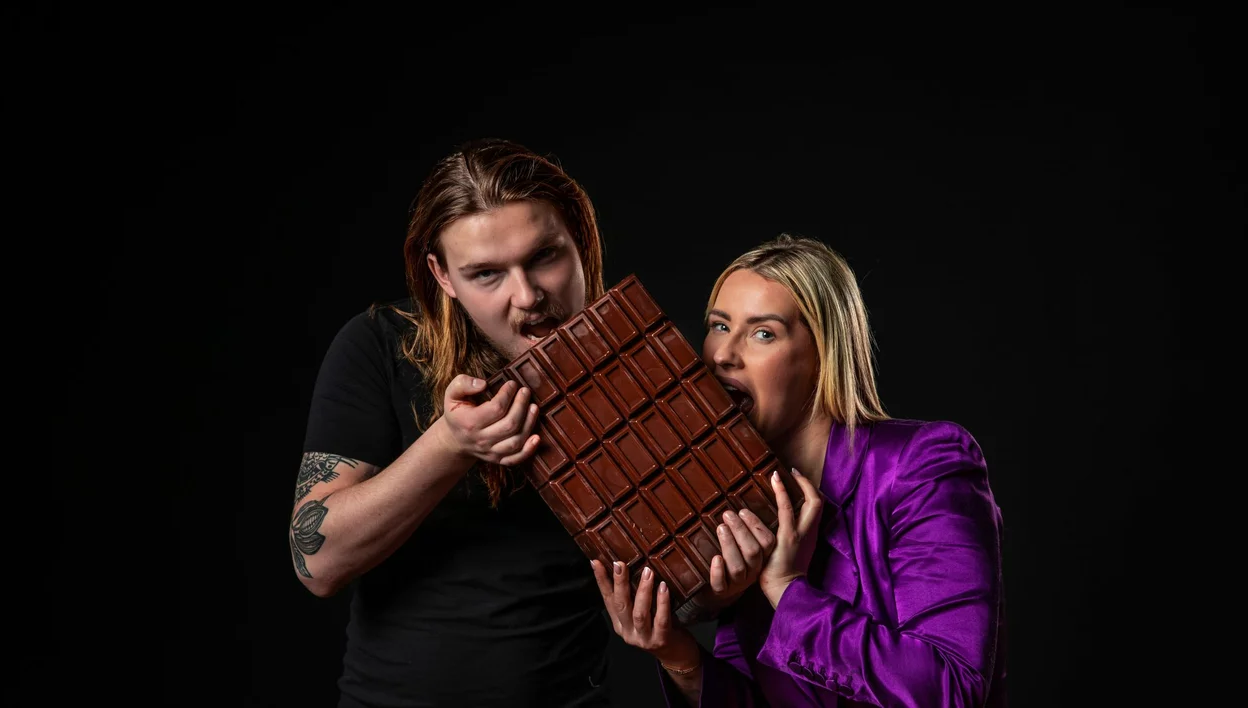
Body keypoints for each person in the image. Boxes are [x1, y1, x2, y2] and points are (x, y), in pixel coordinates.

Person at [592, 234, 1008, 707]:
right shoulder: (744, 498)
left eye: (762, 332)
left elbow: (952, 691)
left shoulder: (924, 464)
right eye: (719, 326)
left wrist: (786, 589)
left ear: (822, 355)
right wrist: (676, 653)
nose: (723, 355)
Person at [291, 138, 614, 707]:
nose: (528, 296)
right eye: (486, 274)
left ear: (581, 241)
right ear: (442, 276)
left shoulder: (643, 368)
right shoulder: (381, 345)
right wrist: (448, 445)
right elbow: (315, 560)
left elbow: (698, 590)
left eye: (544, 257)